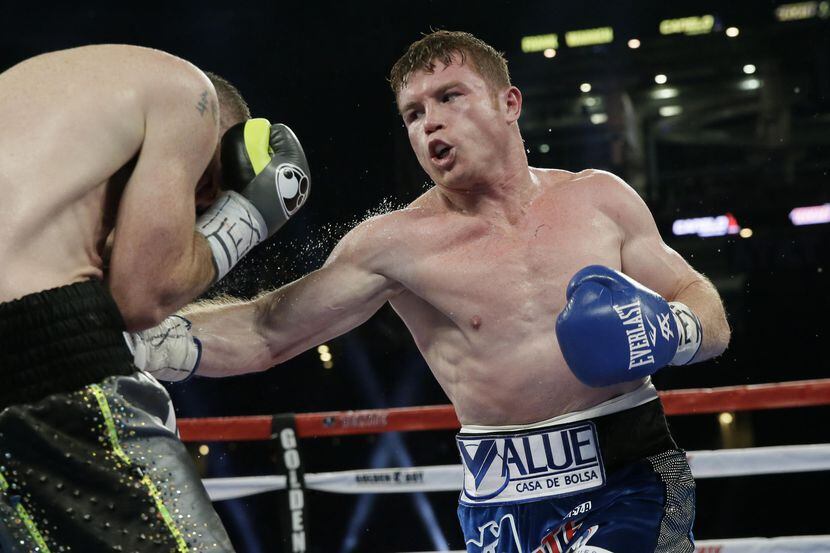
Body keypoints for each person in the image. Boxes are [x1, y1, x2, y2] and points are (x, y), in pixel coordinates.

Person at [138, 31, 729, 552]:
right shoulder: (394, 245)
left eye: (450, 97)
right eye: (413, 112)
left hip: (628, 478)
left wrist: (673, 329)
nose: (430, 123)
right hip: (499, 507)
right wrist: (137, 341)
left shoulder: (600, 199)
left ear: (509, 103)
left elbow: (703, 308)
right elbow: (268, 331)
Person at [0, 44, 310, 552]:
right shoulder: (190, 97)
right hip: (45, 356)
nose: (195, 210)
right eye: (201, 196)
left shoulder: (51, 105)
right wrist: (250, 216)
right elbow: (141, 296)